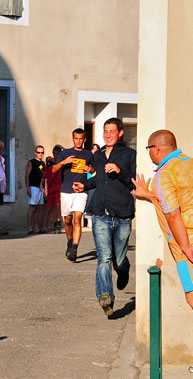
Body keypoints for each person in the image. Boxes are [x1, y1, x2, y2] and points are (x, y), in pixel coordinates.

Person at [132, 130, 193, 372]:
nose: (150, 155)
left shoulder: (164, 174)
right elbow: (180, 201)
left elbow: (173, 213)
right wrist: (149, 197)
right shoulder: (191, 164)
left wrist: (186, 248)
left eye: (148, 150)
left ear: (156, 149)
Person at [72, 118, 136, 316]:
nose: (108, 135)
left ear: (120, 133)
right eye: (105, 131)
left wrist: (119, 171)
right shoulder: (97, 156)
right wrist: (85, 185)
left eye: (112, 131)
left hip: (123, 214)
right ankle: (106, 297)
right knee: (104, 258)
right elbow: (98, 180)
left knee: (118, 259)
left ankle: (123, 268)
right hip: (101, 213)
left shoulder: (129, 154)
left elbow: (134, 182)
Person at [54, 128, 94, 261]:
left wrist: (90, 169)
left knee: (77, 219)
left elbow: (94, 170)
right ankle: (70, 242)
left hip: (81, 191)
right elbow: (53, 169)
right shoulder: (65, 153)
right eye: (76, 138)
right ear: (72, 139)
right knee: (67, 220)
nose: (78, 141)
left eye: (81, 138)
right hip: (66, 191)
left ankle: (75, 249)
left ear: (84, 139)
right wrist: (64, 162)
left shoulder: (88, 155)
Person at [24, 145, 46, 234]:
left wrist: (42, 185)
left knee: (39, 208)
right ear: (35, 153)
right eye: (38, 152)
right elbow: (27, 175)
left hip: (40, 188)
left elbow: (43, 176)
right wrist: (28, 187)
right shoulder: (31, 162)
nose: (40, 154)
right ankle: (30, 227)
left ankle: (36, 227)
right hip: (33, 187)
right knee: (32, 207)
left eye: (42, 153)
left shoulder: (43, 163)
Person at [44, 145, 63, 233]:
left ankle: (58, 222)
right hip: (51, 187)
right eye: (54, 153)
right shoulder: (49, 161)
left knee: (58, 205)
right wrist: (45, 188)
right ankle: (53, 223)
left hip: (59, 187)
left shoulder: (62, 162)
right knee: (51, 207)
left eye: (58, 153)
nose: (56, 155)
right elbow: (46, 176)